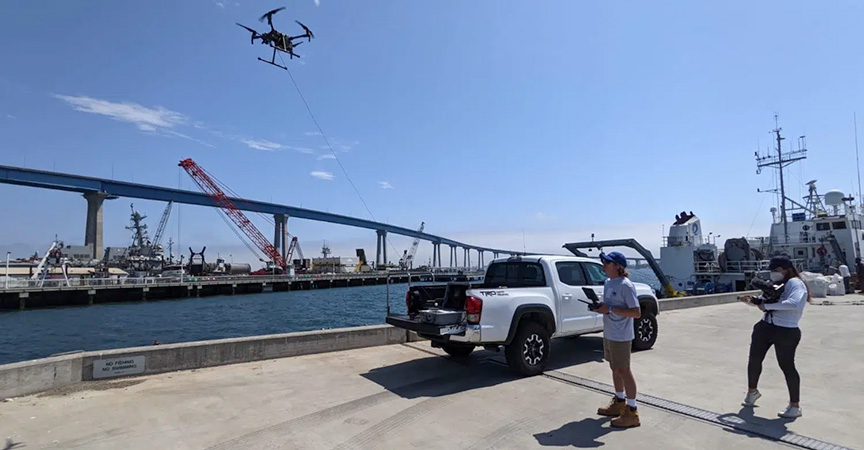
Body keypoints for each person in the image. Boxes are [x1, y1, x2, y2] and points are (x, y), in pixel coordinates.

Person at [739, 256, 809, 418]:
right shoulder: (778, 285)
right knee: (754, 360)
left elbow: (794, 303)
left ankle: (794, 406)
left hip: (786, 330)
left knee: (787, 366)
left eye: (776, 270)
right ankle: (752, 392)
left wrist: (766, 305)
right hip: (766, 327)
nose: (774, 274)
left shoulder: (795, 283)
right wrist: (751, 301)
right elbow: (764, 302)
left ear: (786, 269)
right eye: (772, 271)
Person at [594, 251, 642, 428]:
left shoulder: (626, 285)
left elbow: (636, 312)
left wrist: (611, 309)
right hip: (610, 333)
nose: (603, 264)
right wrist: (600, 307)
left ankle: (632, 411)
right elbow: (610, 307)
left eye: (607, 262)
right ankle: (619, 402)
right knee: (615, 368)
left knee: (624, 370)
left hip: (621, 335)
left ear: (618, 266)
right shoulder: (608, 283)